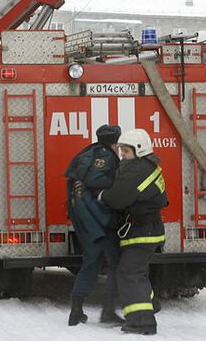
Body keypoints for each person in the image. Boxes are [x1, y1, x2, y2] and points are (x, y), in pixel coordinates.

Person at [99, 128, 167, 335]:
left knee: (129, 272)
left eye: (126, 152)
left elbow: (117, 198)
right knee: (136, 272)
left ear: (139, 150)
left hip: (143, 230)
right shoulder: (144, 166)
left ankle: (143, 321)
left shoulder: (138, 169)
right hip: (144, 229)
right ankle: (149, 305)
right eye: (121, 151)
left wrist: (102, 195)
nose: (122, 156)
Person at [65, 124, 124, 326]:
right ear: (115, 142)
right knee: (115, 263)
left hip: (86, 218)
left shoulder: (89, 151)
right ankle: (108, 311)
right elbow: (95, 178)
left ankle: (76, 310)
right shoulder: (104, 156)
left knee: (91, 261)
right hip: (99, 218)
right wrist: (118, 184)